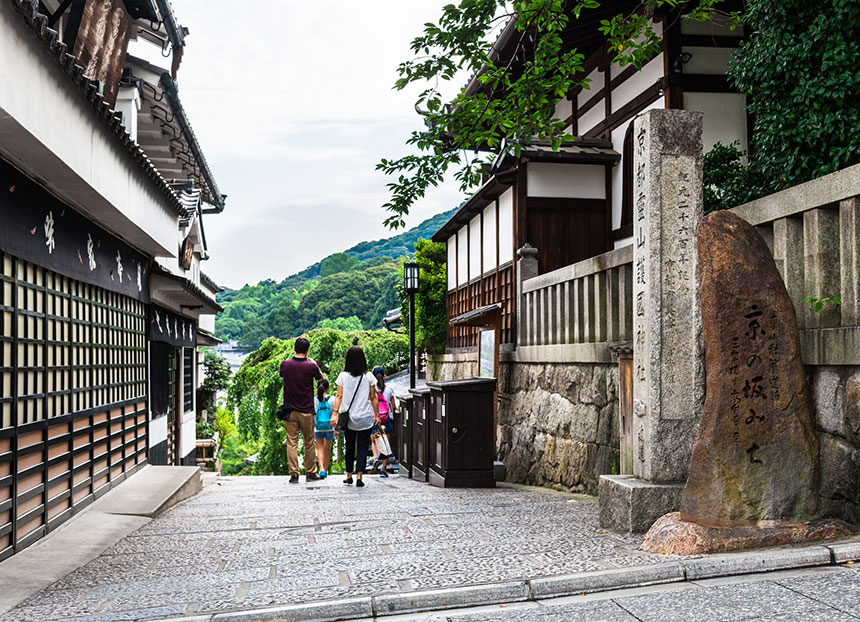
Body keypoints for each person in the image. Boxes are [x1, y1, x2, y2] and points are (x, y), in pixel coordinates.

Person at [330, 346, 379, 488]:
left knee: (350, 446)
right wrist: (377, 415)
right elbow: (373, 397)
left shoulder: (343, 376)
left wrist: (335, 412)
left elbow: (338, 396)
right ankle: (359, 476)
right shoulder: (369, 376)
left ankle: (349, 475)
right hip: (365, 417)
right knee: (363, 446)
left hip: (350, 418)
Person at [279, 337, 321, 483]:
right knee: (309, 442)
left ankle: (294, 473)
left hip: (289, 410)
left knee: (292, 442)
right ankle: (310, 473)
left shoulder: (285, 364)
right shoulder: (311, 366)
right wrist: (315, 364)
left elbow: (282, 375)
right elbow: (321, 380)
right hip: (307, 410)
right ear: (307, 350)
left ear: (294, 348)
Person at [372, 366, 396, 478]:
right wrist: (391, 414)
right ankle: (383, 469)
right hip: (386, 419)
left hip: (375, 419)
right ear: (384, 375)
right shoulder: (389, 390)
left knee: (374, 441)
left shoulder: (372, 390)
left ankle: (376, 457)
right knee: (386, 444)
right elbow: (393, 406)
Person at [314, 379, 334, 479]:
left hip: (318, 427)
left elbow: (313, 413)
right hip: (330, 427)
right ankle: (325, 470)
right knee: (327, 449)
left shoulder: (314, 399)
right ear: (328, 388)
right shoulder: (332, 399)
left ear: (317, 388)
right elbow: (335, 413)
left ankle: (321, 469)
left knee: (320, 448)